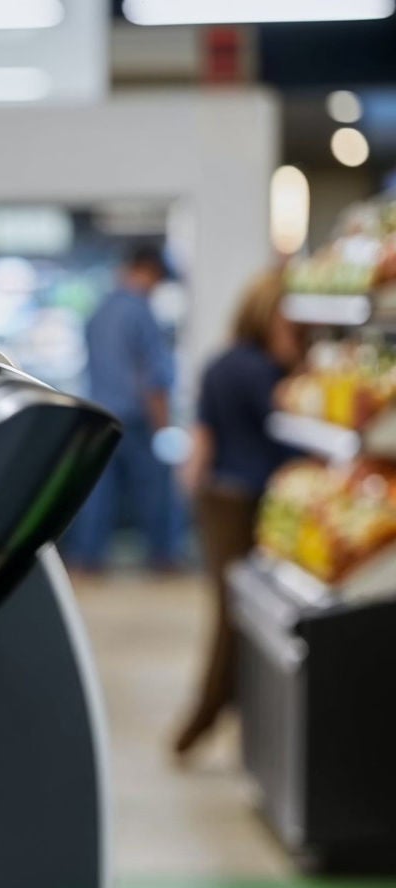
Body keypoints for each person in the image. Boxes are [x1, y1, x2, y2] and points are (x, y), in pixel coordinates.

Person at [172, 268, 303, 757]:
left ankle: (224, 717)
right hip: (251, 504)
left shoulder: (219, 363)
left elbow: (201, 440)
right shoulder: (266, 372)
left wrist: (191, 497)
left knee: (231, 609)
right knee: (239, 616)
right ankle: (204, 718)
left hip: (216, 499)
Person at [68, 243, 182, 572]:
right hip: (135, 418)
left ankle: (87, 559)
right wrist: (164, 427)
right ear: (149, 272)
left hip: (99, 415)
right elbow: (153, 377)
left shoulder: (99, 310)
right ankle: (163, 557)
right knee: (154, 489)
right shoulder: (141, 311)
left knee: (98, 492)